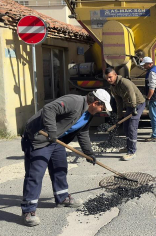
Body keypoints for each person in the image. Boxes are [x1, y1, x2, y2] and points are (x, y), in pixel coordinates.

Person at [20, 89, 112, 227]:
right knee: (35, 175)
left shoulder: (88, 114)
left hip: (56, 141)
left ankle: (62, 198)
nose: (101, 111)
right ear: (95, 102)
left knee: (60, 169)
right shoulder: (74, 101)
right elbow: (49, 109)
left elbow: (83, 131)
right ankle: (28, 210)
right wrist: (51, 131)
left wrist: (89, 153)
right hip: (39, 138)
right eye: (102, 107)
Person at [104, 67, 145, 161]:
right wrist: (119, 115)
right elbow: (118, 101)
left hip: (138, 104)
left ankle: (132, 152)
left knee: (132, 127)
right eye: (107, 78)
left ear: (115, 75)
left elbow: (132, 94)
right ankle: (128, 146)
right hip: (130, 106)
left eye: (110, 77)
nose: (108, 79)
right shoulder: (113, 87)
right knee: (125, 126)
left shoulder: (124, 82)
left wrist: (134, 107)